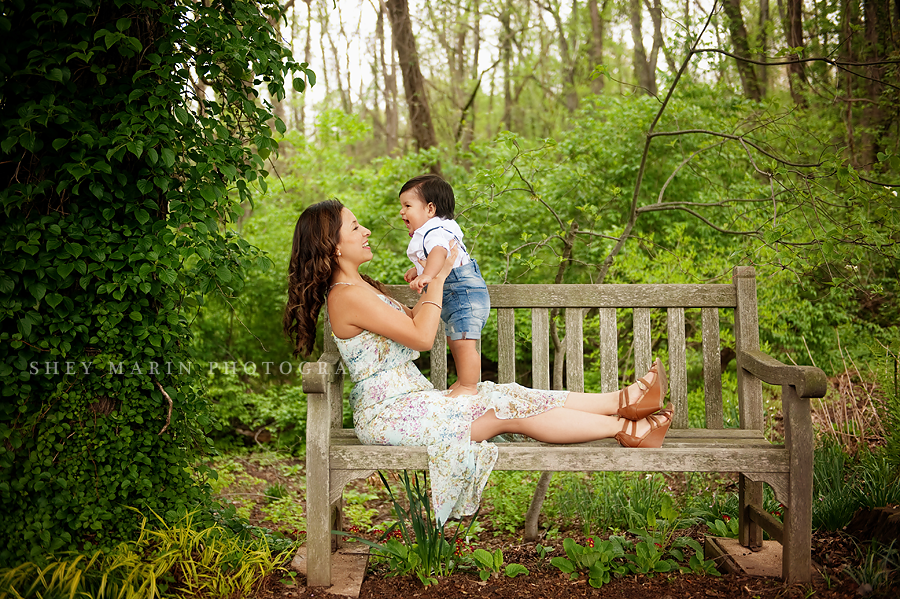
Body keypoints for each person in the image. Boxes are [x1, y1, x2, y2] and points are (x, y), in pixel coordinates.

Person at [283, 200, 673, 523]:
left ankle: (624, 402)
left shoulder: (359, 288)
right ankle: (627, 427)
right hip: (389, 413)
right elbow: (421, 335)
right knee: (503, 408)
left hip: (410, 403)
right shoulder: (346, 294)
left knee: (504, 393)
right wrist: (439, 277)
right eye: (354, 228)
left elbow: (416, 323)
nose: (366, 230)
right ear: (333, 246)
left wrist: (432, 275)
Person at [399, 175, 488, 398]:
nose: (402, 212)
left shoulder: (434, 231)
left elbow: (440, 252)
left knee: (463, 344)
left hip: (462, 294)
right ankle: (463, 381)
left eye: (407, 206)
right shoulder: (434, 229)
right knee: (456, 340)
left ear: (430, 209)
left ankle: (469, 386)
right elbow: (435, 257)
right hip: (459, 294)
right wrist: (418, 271)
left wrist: (427, 274)